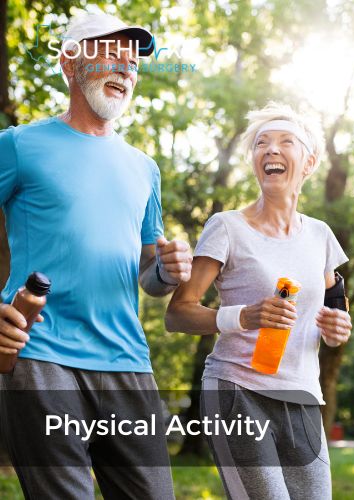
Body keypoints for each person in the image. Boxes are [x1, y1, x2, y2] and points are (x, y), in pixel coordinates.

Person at [0, 12, 192, 499]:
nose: (126, 68)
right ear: (69, 62)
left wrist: (167, 273)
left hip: (127, 360)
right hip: (42, 358)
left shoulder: (144, 169)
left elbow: (148, 276)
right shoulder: (20, 145)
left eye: (133, 62)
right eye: (110, 52)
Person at [165, 102, 352, 499]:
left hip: (302, 396)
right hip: (238, 390)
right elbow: (178, 313)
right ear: (254, 162)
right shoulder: (227, 227)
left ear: (309, 162)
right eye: (261, 144)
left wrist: (338, 329)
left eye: (286, 142)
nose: (271, 150)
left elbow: (335, 301)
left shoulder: (321, 236)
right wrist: (243, 317)